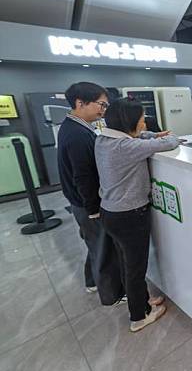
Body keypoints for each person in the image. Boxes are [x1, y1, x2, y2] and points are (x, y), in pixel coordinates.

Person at [95, 97, 180, 332]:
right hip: (129, 216)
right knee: (135, 267)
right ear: (128, 122)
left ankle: (141, 301)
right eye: (142, 120)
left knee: (127, 263)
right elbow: (171, 142)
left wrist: (151, 134)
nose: (144, 125)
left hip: (110, 212)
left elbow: (140, 137)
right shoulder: (127, 148)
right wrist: (162, 137)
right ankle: (139, 316)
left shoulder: (103, 140)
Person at [57, 82, 124, 305]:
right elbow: (83, 176)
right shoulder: (77, 134)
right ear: (80, 102)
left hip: (81, 203)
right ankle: (113, 295)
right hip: (87, 204)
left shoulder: (74, 126)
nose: (103, 110)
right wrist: (93, 208)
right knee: (103, 249)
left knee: (94, 243)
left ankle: (91, 282)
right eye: (101, 104)